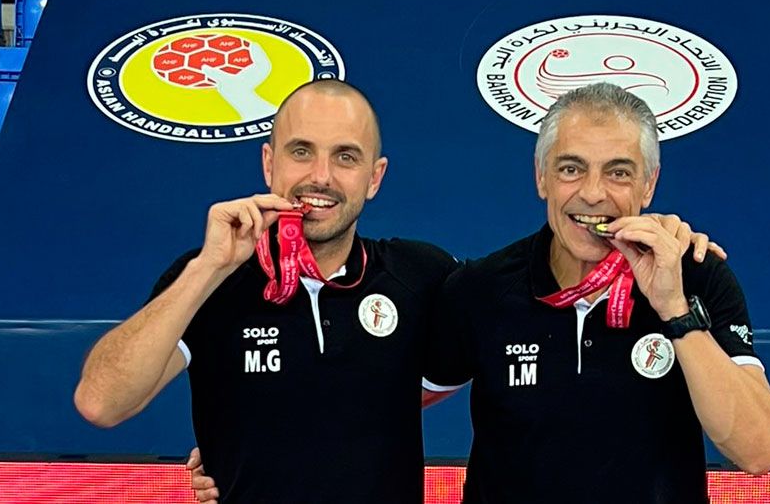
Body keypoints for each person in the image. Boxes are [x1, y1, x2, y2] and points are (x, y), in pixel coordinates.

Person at [74, 79, 724, 504]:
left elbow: (419, 377)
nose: (320, 176)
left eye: (346, 157)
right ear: (268, 162)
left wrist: (672, 240)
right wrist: (208, 268)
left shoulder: (423, 275)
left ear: (375, 177)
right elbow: (101, 401)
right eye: (301, 151)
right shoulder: (210, 277)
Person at [422, 83, 770, 504]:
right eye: (571, 169)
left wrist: (675, 310)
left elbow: (758, 451)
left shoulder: (697, 278)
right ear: (542, 178)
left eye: (618, 172)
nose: (593, 193)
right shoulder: (480, 288)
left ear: (648, 185)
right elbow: (386, 398)